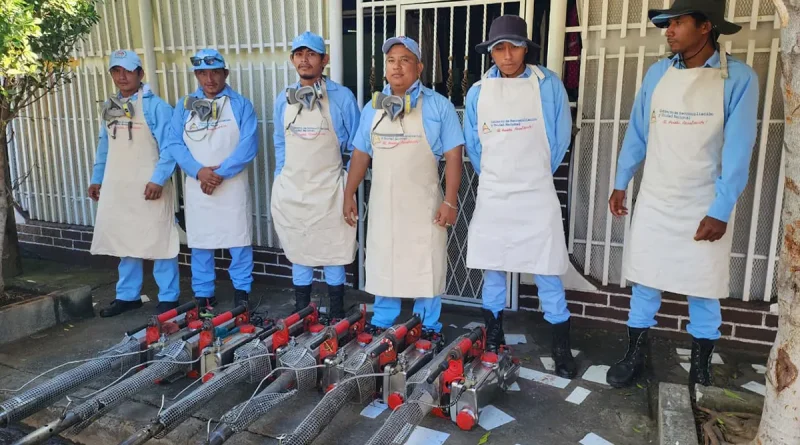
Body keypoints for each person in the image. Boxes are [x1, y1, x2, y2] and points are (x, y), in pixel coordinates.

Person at [607, 0, 758, 388]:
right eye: (667, 23)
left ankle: (701, 367)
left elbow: (738, 150)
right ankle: (633, 354)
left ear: (706, 27)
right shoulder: (658, 72)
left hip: (703, 202)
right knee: (645, 279)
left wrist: (721, 209)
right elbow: (638, 131)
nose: (669, 30)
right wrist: (622, 181)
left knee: (703, 286)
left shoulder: (738, 78)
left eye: (678, 23)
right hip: (657, 196)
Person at [464, 15, 576, 378]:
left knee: (547, 269)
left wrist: (532, 172)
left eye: (514, 46)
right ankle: (493, 337)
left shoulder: (549, 85)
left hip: (536, 190)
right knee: (493, 268)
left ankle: (561, 346)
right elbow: (475, 146)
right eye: (499, 48)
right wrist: (499, 175)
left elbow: (559, 140)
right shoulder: (478, 92)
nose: (507, 54)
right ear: (491, 53)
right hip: (495, 191)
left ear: (526, 48)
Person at [343, 36, 464, 338]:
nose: (397, 66)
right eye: (391, 60)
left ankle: (427, 326)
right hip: (385, 204)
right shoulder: (372, 108)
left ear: (419, 67)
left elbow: (454, 155)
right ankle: (383, 320)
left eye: (405, 60)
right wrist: (348, 193)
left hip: (424, 205)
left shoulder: (439, 106)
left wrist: (450, 201)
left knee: (427, 263)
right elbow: (360, 153)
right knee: (385, 258)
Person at [271, 32, 360, 318]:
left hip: (330, 187)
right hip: (294, 188)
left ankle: (336, 312)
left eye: (311, 54)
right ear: (292, 59)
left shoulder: (342, 97)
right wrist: (279, 181)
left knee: (333, 247)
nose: (304, 60)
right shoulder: (282, 99)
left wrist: (348, 187)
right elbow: (279, 142)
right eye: (299, 54)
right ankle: (302, 312)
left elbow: (356, 146)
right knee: (300, 247)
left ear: (325, 60)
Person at [89, 50, 181, 317]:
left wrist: (158, 179)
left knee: (160, 239)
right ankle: (127, 295)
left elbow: (170, 147)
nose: (122, 76)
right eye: (116, 71)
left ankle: (169, 297)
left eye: (128, 71)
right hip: (119, 187)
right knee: (125, 239)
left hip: (151, 187)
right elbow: (104, 146)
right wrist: (97, 178)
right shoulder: (110, 107)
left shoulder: (156, 106)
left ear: (140, 73)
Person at [165, 49, 258, 310]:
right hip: (198, 187)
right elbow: (174, 142)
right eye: (203, 73)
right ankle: (204, 293)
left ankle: (242, 291)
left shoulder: (240, 104)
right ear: (196, 75)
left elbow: (248, 145)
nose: (209, 79)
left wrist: (219, 173)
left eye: (215, 72)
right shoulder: (184, 106)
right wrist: (198, 171)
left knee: (238, 240)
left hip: (232, 186)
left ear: (225, 73)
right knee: (201, 242)